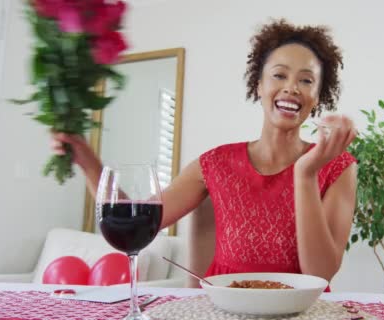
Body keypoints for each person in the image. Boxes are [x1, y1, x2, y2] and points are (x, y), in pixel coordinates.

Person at [52, 19, 358, 283]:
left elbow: (320, 275)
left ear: (317, 96)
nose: (292, 87)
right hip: (222, 309)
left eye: (306, 80)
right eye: (279, 75)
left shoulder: (337, 166)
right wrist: (88, 161)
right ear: (259, 85)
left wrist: (306, 174)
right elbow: (137, 220)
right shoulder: (214, 163)